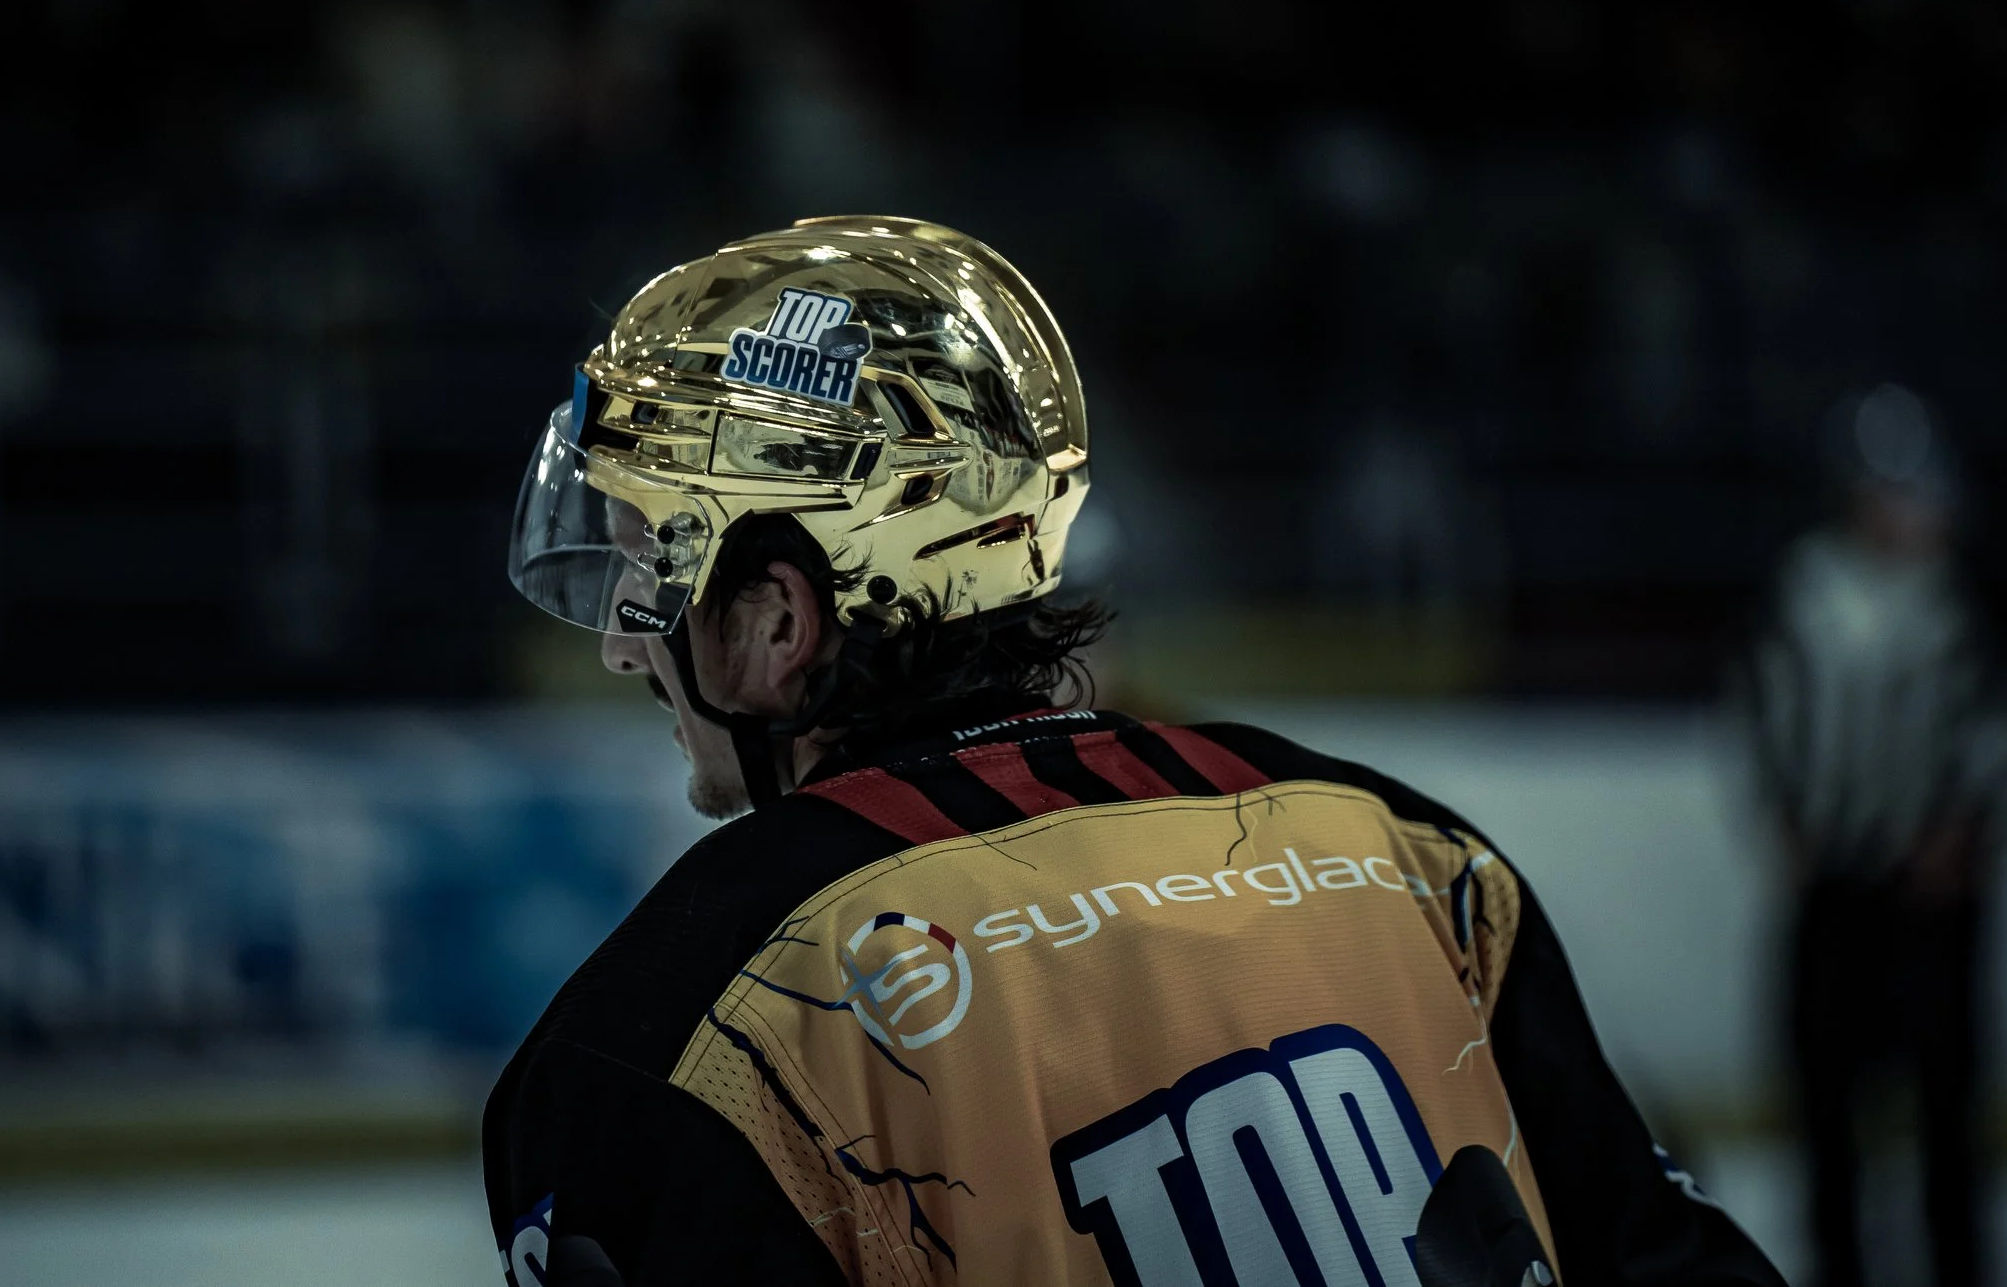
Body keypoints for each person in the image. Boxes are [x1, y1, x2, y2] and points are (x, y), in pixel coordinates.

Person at [488, 216, 1783, 1287]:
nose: (619, 640)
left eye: (649, 566)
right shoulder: (1403, 847)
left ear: (781, 620)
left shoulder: (669, 1023)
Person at [1745, 384, 2007, 1287]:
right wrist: (1781, 814)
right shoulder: (1803, 589)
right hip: (1835, 888)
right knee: (1827, 1114)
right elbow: (1759, 711)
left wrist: (1978, 827)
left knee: (1947, 1118)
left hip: (1932, 905)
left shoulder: (1974, 602)